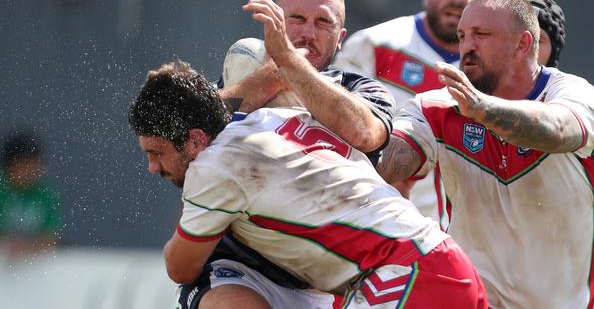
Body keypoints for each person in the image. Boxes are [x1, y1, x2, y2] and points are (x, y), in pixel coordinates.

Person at [129, 60, 488, 309]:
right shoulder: (274, 117)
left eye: (157, 152)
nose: (151, 166)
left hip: (402, 275)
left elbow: (181, 268)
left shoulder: (213, 166)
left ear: (194, 141)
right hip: (444, 262)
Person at [376, 0, 594, 308]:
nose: (466, 46)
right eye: (462, 35)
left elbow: (556, 130)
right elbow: (385, 164)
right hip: (471, 298)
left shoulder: (574, 94)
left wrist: (482, 109)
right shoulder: (435, 107)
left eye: (481, 35)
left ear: (523, 44)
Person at [333, 0, 494, 221]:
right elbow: (334, 129)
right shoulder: (374, 45)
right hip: (371, 219)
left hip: (458, 235)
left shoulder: (495, 68)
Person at [219, 0, 395, 161]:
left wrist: (290, 63)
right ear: (274, 23)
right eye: (297, 18)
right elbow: (195, 129)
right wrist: (271, 78)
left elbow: (365, 134)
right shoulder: (241, 72)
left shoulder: (363, 88)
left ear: (340, 39)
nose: (308, 33)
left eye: (323, 22)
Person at [522, 0, 594, 278]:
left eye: (541, 40)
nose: (529, 48)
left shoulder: (576, 100)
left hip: (552, 274)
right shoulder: (465, 101)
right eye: (523, 37)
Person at [0, 130, 62, 258]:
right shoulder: (2, 189)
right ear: (10, 166)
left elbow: (51, 237)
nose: (30, 172)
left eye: (34, 166)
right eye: (24, 166)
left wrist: (26, 249)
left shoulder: (43, 192)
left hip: (32, 261)